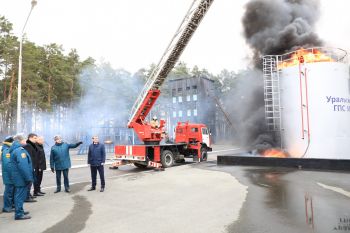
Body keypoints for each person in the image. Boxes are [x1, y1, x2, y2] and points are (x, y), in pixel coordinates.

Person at [9, 134, 33, 220]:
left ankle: (20, 210)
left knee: (19, 195)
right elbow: (23, 166)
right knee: (19, 196)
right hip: (21, 178)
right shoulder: (20, 151)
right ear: (20, 141)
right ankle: (19, 214)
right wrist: (28, 178)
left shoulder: (16, 149)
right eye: (24, 139)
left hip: (18, 177)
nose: (26, 141)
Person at [23, 133, 39, 201]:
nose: (36, 139)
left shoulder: (32, 145)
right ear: (30, 138)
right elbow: (29, 158)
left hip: (32, 166)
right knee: (29, 182)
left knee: (30, 182)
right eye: (35, 138)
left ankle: (28, 195)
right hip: (30, 167)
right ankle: (27, 197)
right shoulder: (28, 146)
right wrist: (32, 167)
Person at [1, 136, 15, 213]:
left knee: (11, 190)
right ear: (11, 142)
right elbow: (7, 164)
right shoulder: (6, 150)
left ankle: (10, 205)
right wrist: (12, 174)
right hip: (9, 174)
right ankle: (7, 207)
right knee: (8, 191)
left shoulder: (8, 148)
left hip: (10, 174)